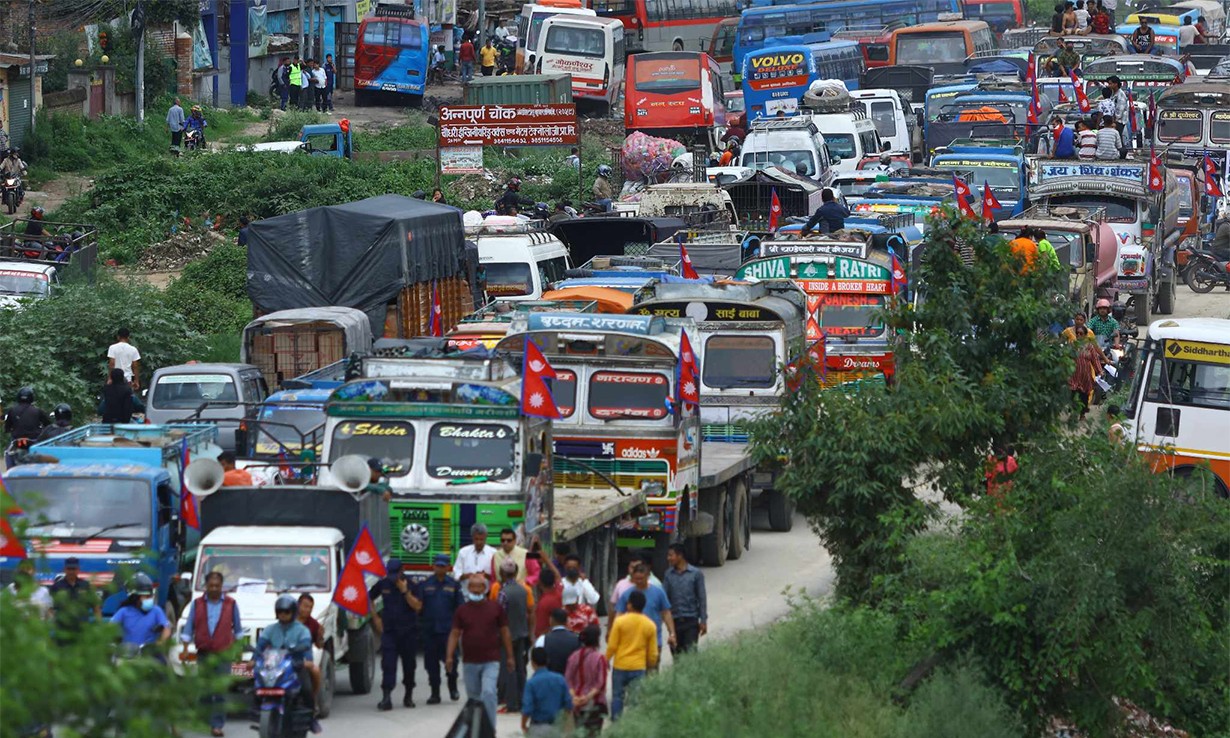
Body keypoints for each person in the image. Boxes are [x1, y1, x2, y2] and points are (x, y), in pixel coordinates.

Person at [447, 574, 516, 730]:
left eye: (479, 586)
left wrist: (510, 657)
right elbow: (455, 633)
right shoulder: (461, 610)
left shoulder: (495, 608)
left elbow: (505, 632)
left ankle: (490, 729)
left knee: (489, 692)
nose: (476, 590)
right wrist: (449, 656)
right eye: (472, 586)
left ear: (485, 589)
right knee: (474, 698)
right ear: (468, 588)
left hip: (491, 660)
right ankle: (476, 730)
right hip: (469, 662)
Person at [180, 571, 243, 737]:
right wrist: (186, 649)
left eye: (217, 586)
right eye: (211, 586)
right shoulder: (197, 604)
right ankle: (203, 720)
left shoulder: (231, 604)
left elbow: (238, 630)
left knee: (221, 691)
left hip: (223, 653)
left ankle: (217, 725)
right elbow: (189, 627)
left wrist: (238, 651)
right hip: (204, 653)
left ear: (222, 587)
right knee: (205, 690)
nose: (214, 589)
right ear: (206, 586)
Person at [255, 594, 321, 733]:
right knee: (257, 683)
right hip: (274, 666)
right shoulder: (270, 629)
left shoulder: (302, 630)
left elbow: (306, 647)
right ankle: (257, 712)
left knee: (307, 690)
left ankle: (311, 718)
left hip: (295, 666)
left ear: (293, 612)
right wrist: (253, 659)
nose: (283, 615)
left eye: (286, 612)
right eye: (280, 612)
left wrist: (306, 661)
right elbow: (260, 646)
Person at [370, 557, 423, 710]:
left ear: (402, 571)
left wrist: (405, 592)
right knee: (388, 664)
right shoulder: (384, 583)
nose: (393, 578)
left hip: (408, 632)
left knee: (409, 665)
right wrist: (375, 618)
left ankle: (408, 695)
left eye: (396, 574)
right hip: (389, 631)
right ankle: (386, 697)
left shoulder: (412, 584)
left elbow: (418, 606)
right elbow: (369, 598)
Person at [607, 589, 658, 721]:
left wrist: (606, 660)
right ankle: (633, 727)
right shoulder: (649, 625)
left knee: (617, 697)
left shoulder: (620, 622)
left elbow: (612, 645)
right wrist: (651, 665)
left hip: (620, 665)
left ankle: (616, 726)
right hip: (638, 667)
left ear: (629, 605)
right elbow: (652, 652)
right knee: (635, 700)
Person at [420, 553, 463, 704]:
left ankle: (453, 688)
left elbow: (460, 608)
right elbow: (419, 607)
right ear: (433, 566)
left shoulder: (454, 585)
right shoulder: (425, 584)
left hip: (448, 631)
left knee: (451, 662)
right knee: (431, 665)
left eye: (442, 566)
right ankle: (435, 693)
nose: (439, 568)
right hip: (430, 631)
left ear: (447, 567)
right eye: (437, 565)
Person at [491, 558, 532, 712]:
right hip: (522, 634)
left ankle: (511, 702)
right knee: (521, 669)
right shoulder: (523, 590)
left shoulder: (502, 593)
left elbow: (499, 617)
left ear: (502, 573)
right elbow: (528, 612)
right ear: (515, 573)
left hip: (506, 637)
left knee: (508, 669)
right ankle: (522, 700)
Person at [615, 563, 675, 654]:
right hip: (633, 643)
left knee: (653, 667)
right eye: (636, 579)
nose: (639, 581)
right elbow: (619, 614)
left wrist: (672, 634)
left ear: (647, 577)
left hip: (654, 641)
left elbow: (666, 613)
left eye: (641, 579)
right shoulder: (627, 594)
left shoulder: (658, 592)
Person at [663, 543, 707, 655]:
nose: (668, 558)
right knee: (677, 656)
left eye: (671, 555)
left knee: (691, 655)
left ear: (680, 556)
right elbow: (664, 599)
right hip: (674, 623)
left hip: (691, 621)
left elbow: (702, 598)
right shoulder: (668, 575)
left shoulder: (696, 574)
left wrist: (703, 620)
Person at [565, 624, 608, 734]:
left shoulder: (573, 656)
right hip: (595, 704)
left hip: (577, 704)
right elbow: (600, 683)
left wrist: (575, 697)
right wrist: (587, 697)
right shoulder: (599, 659)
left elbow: (568, 679)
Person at [111, 572, 171, 650]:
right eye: (146, 597)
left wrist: (161, 642)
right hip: (127, 653)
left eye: (151, 596)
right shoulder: (124, 611)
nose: (150, 599)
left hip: (149, 653)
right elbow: (110, 626)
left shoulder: (156, 610)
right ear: (135, 597)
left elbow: (166, 628)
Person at [521, 647, 573, 736]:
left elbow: (527, 709)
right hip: (557, 727)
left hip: (537, 727)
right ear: (547, 660)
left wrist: (523, 725)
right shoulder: (560, 679)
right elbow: (568, 705)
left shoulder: (531, 683)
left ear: (532, 663)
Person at [48, 557, 100, 630]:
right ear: (64, 569)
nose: (71, 572)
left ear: (78, 570)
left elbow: (95, 607)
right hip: (63, 630)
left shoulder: (85, 585)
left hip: (83, 628)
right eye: (69, 569)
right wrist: (53, 623)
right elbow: (50, 608)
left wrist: (98, 624)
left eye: (74, 569)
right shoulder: (57, 587)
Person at [535, 607, 581, 675]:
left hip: (551, 680)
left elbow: (538, 663)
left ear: (551, 620)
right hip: (573, 681)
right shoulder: (577, 639)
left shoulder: (542, 640)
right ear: (566, 621)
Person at [1069, 340, 1104, 419]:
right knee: (1073, 393)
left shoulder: (1090, 347)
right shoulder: (1073, 345)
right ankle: (1072, 413)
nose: (1079, 335)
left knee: (1084, 394)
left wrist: (1100, 370)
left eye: (1081, 333)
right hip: (1074, 374)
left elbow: (1095, 359)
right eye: (1077, 333)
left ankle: (1082, 414)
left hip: (1085, 375)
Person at [535, 567, 564, 638]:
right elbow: (558, 577)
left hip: (550, 638)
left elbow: (540, 630)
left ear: (540, 582)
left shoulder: (544, 603)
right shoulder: (561, 590)